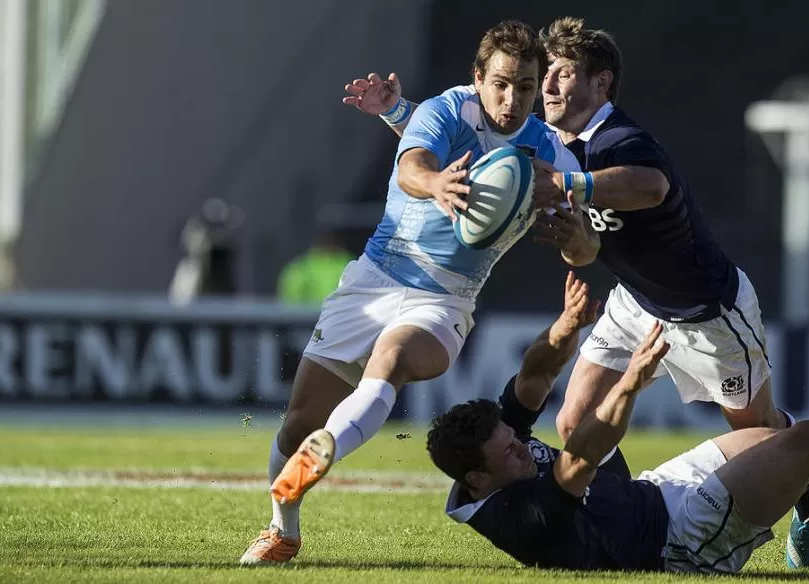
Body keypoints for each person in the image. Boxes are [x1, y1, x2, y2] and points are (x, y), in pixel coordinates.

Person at [343, 16, 809, 568]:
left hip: (703, 307)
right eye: (543, 74)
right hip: (635, 301)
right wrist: (398, 113)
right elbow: (470, 155)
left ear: (601, 84)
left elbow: (652, 186)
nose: (546, 86)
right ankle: (615, 503)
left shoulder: (619, 139)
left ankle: (808, 486)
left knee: (760, 436)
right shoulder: (547, 143)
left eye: (563, 74)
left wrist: (576, 185)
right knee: (573, 420)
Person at [239, 20, 594, 565]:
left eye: (525, 86)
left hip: (447, 298)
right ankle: (282, 527)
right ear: (478, 78)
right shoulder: (445, 110)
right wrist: (437, 184)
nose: (513, 98)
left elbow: (587, 248)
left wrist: (575, 240)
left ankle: (328, 448)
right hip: (375, 278)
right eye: (501, 83)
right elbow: (411, 165)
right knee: (297, 424)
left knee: (395, 356)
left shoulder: (550, 152)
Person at [423, 277, 809, 574]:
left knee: (787, 440)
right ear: (479, 482)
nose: (520, 447)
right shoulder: (515, 517)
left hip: (656, 492)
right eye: (510, 452)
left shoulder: (491, 448)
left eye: (514, 439)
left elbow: (533, 377)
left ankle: (801, 482)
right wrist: (630, 385)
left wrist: (566, 326)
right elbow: (579, 459)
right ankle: (803, 472)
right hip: (677, 541)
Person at [277, 231, 353, 308]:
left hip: (314, 316)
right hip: (332, 315)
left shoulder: (300, 267)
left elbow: (290, 298)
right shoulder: (349, 264)